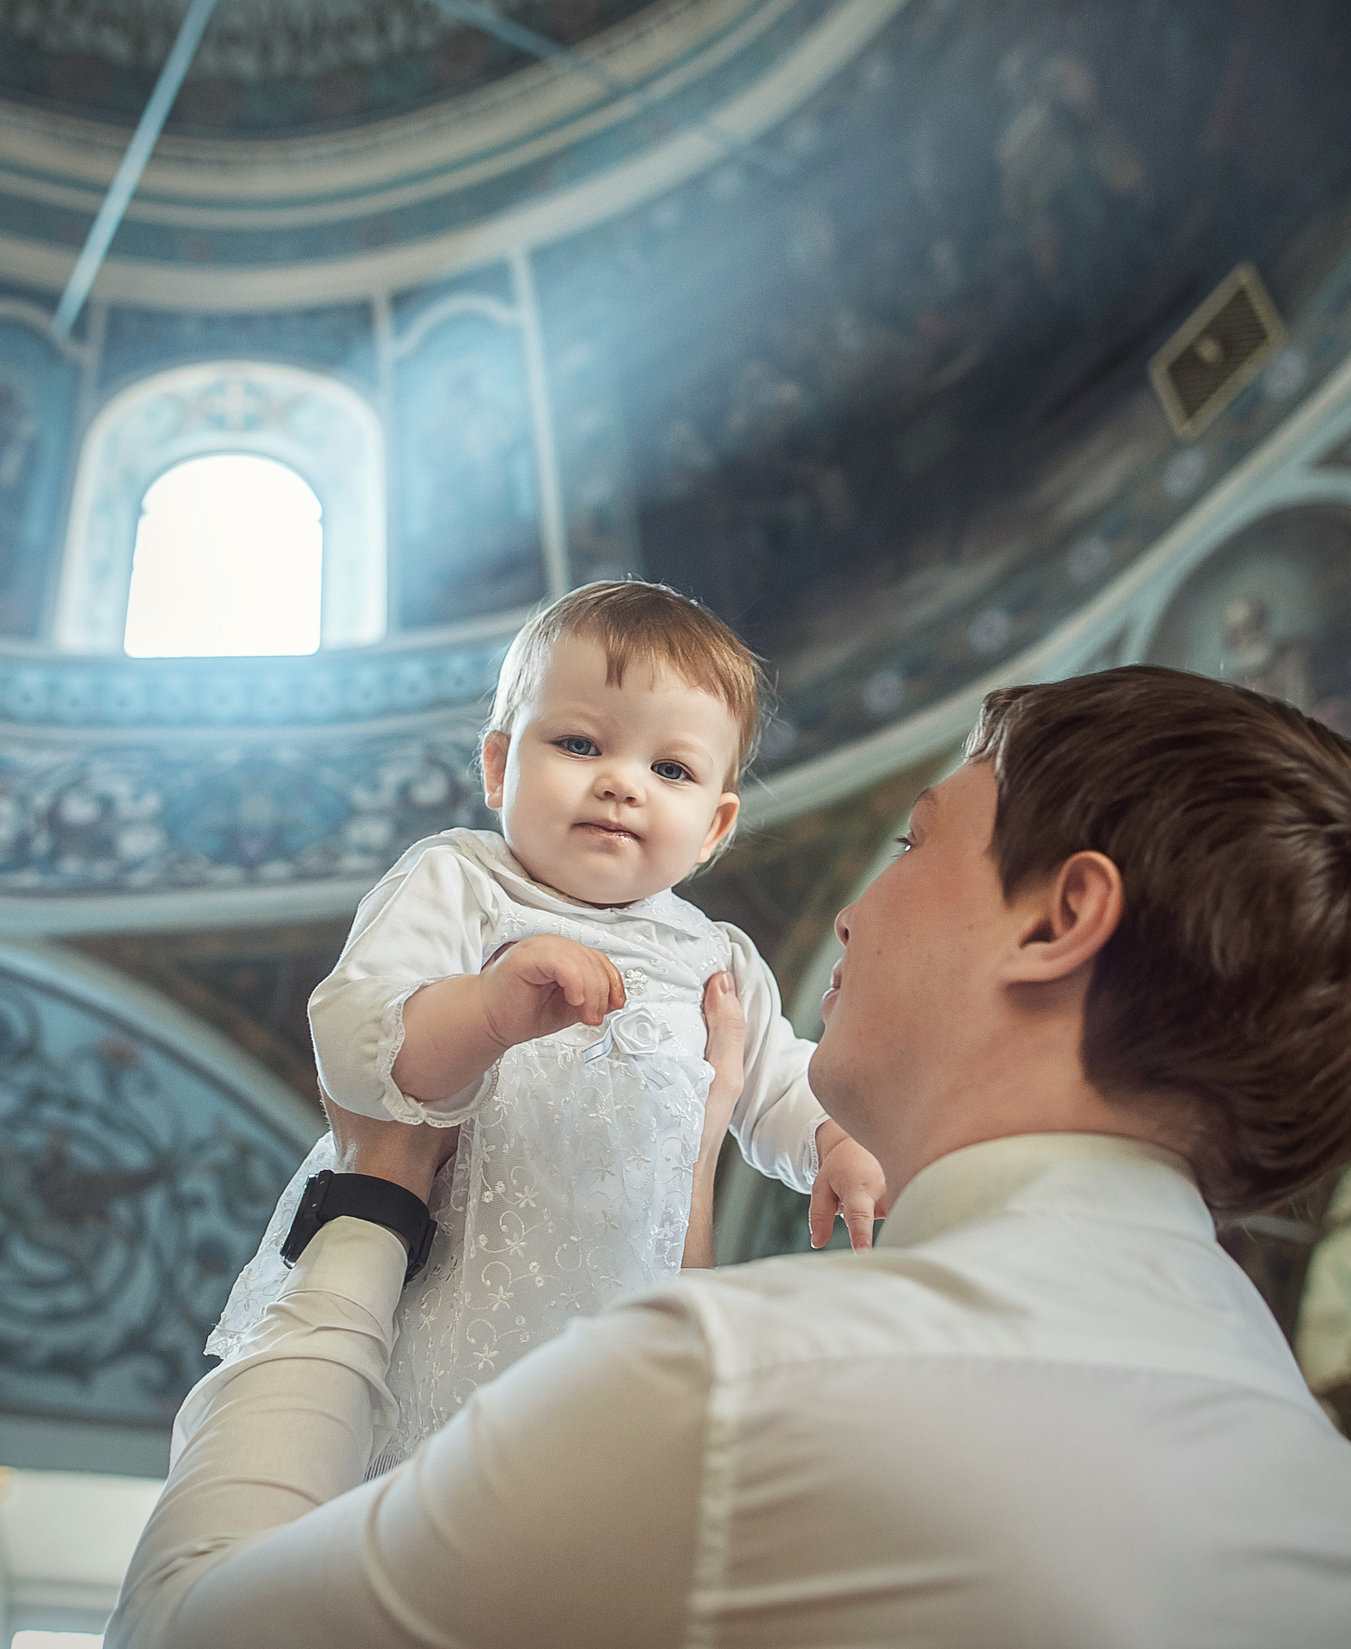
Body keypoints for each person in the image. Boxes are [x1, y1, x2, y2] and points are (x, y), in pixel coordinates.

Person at [111, 666, 1351, 1647]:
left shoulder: (737, 1384)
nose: (860, 910)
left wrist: (369, 1203)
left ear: (1061, 917)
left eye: (912, 840)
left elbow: (186, 1627)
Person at [205, 581, 888, 1468]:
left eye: (671, 769)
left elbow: (781, 1081)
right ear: (498, 766)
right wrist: (487, 1011)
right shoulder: (465, 882)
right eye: (578, 742)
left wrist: (837, 1142)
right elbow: (353, 1031)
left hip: (616, 1321)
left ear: (716, 824)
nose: (620, 782)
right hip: (430, 1298)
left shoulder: (715, 956)